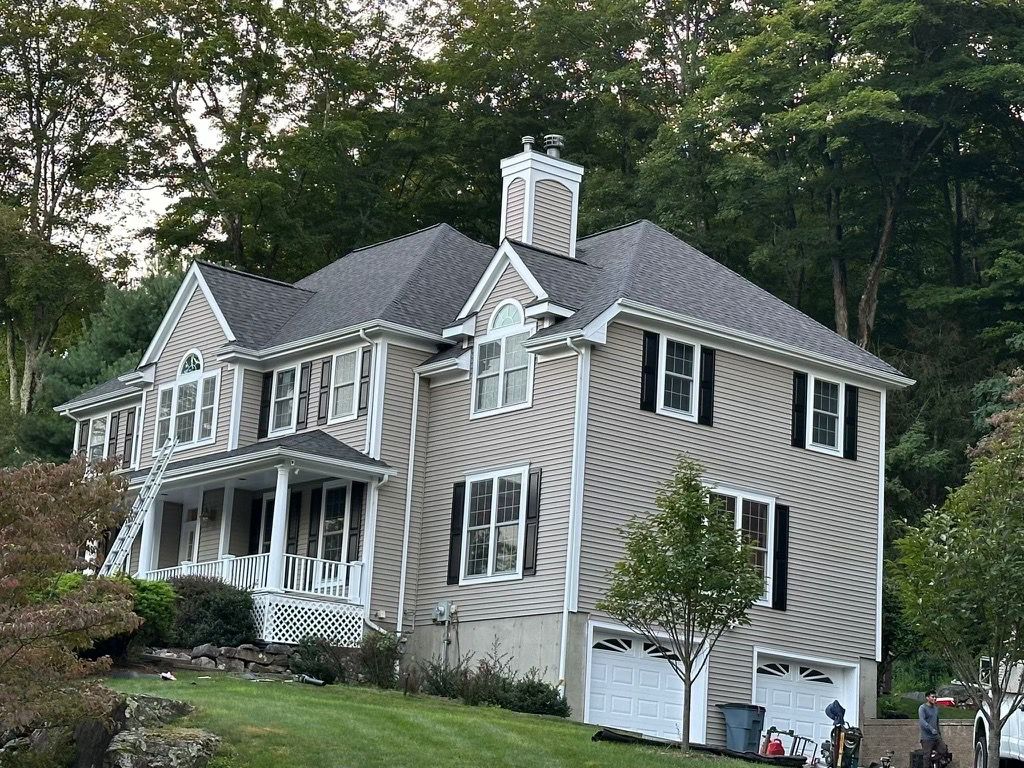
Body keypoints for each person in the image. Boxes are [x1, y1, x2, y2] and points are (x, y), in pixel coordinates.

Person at [919, 691, 951, 767]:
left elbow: (936, 722)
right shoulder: (922, 708)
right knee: (927, 757)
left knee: (944, 750)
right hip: (926, 738)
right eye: (932, 697)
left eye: (935, 697)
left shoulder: (935, 708)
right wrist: (931, 729)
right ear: (927, 698)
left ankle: (933, 760)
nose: (934, 698)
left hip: (936, 737)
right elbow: (922, 721)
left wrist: (939, 734)